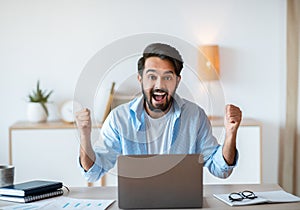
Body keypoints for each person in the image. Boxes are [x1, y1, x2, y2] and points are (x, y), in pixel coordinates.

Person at [76, 43, 242, 182]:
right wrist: (84, 136)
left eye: (167, 77)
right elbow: (93, 172)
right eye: (152, 77)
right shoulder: (119, 118)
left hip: (183, 205)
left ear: (177, 81)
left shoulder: (195, 116)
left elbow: (221, 169)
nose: (159, 85)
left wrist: (230, 134)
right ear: (140, 79)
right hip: (137, 205)